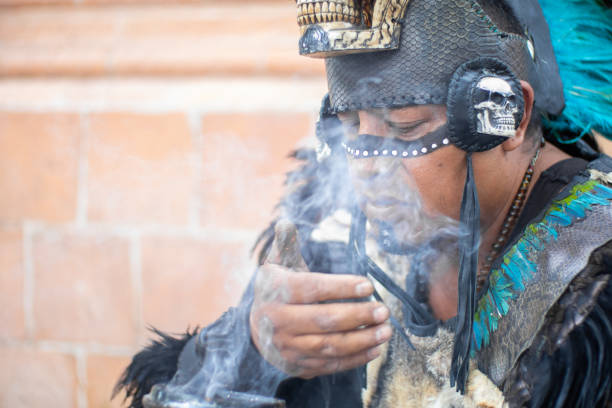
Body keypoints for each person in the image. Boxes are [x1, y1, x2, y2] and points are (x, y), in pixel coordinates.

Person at [115, 0, 612, 407]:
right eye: (350, 126)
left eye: (404, 129)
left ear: (509, 114)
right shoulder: (334, 241)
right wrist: (251, 346)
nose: (365, 168)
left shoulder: (597, 271)